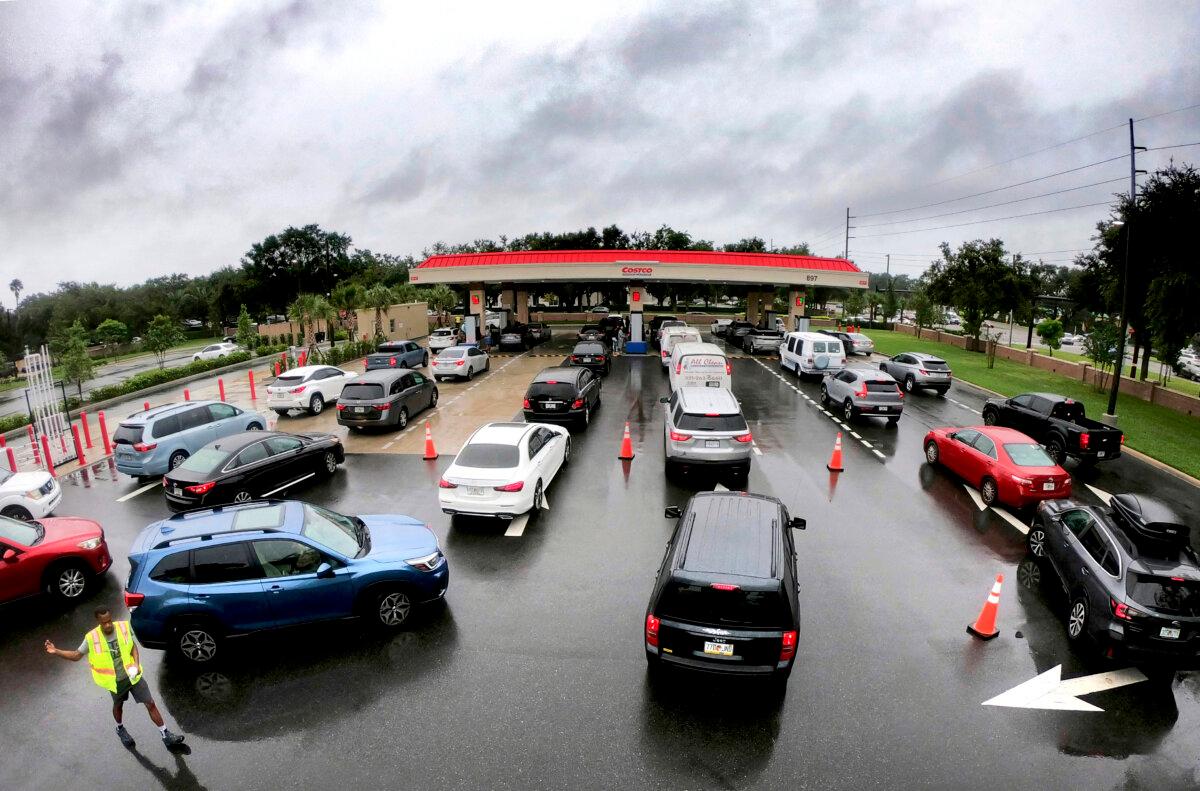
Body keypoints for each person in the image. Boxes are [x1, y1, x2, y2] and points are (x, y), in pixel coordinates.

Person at [45, 607, 185, 751]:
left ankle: (165, 735)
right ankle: (120, 728)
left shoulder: (123, 627)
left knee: (150, 703)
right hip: (115, 682)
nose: (108, 625)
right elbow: (76, 655)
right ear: (98, 622)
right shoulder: (91, 638)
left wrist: (136, 664)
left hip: (133, 677)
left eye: (109, 621)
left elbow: (132, 647)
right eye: (104, 623)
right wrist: (56, 651)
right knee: (118, 706)